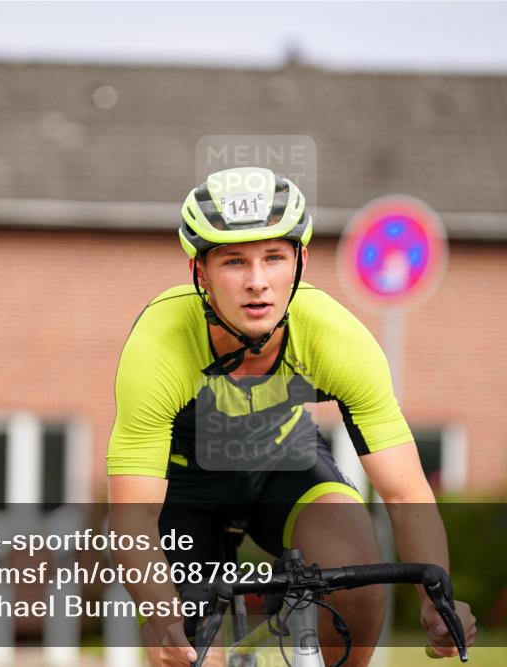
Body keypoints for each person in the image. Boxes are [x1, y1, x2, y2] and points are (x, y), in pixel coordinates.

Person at [107, 166, 476, 666]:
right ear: (201, 273)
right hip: (184, 489)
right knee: (191, 653)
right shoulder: (159, 347)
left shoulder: (334, 339)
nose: (257, 283)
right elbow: (133, 518)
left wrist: (437, 602)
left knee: (357, 580)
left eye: (274, 258)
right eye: (234, 261)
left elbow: (405, 491)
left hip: (284, 462)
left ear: (300, 262)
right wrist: (165, 619)